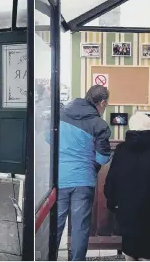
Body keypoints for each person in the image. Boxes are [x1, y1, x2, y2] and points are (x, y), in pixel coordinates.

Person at [49, 85, 112, 261]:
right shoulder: (99, 124)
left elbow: (48, 138)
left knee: (56, 224)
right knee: (80, 227)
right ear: (102, 102)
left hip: (60, 179)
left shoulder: (61, 114)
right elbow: (102, 158)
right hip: (83, 181)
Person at [104, 113, 150, 261]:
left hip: (128, 212)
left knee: (130, 252)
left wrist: (113, 203)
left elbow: (112, 180)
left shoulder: (121, 149)